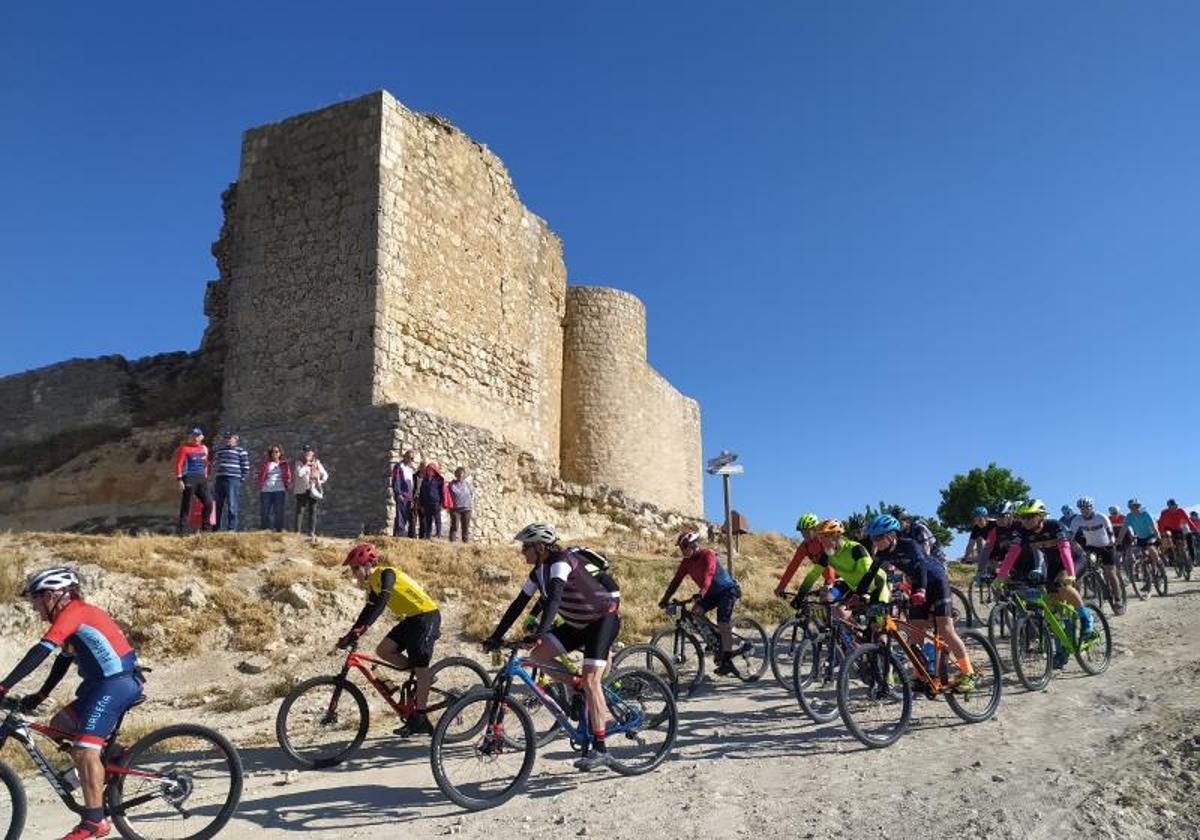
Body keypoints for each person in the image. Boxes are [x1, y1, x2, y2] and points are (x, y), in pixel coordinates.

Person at [0, 568, 145, 840]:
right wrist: (41, 694)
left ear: (53, 595)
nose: (34, 607)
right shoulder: (71, 617)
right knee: (60, 726)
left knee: (84, 750)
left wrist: (3, 686)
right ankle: (112, 759)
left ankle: (94, 822)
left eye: (35, 599)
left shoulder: (74, 612)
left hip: (116, 684)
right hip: (99, 686)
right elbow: (62, 660)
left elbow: (41, 651)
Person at [484, 523, 621, 772]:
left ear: (539, 546)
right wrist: (496, 636)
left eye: (526, 547)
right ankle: (576, 686)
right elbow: (519, 603)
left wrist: (540, 632)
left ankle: (601, 750)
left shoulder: (561, 560)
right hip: (577, 624)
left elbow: (555, 598)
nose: (522, 551)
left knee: (592, 679)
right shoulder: (539, 571)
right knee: (538, 656)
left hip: (602, 620)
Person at [861, 514, 975, 692]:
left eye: (878, 538)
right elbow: (870, 574)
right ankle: (919, 676)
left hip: (936, 582)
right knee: (915, 634)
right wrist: (857, 595)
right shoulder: (882, 554)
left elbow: (921, 565)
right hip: (917, 586)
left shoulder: (909, 545)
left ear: (891, 536)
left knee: (945, 629)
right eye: (872, 538)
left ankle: (968, 673)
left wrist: (920, 590)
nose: (875, 542)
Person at [337, 544, 441, 737]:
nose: (353, 574)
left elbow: (383, 601)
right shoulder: (371, 586)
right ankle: (423, 676)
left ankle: (419, 717)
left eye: (355, 568)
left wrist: (364, 628)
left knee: (420, 664)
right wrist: (350, 634)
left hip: (427, 615)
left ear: (367, 565)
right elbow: (367, 611)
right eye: (352, 570)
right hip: (411, 618)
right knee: (384, 650)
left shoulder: (387, 574)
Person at [993, 500, 1096, 665]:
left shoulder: (1055, 526)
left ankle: (1086, 616)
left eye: (1030, 516)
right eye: (1022, 517)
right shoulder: (1022, 532)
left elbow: (1064, 551)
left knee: (1062, 584)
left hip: (1075, 559)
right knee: (1053, 609)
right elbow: (1012, 554)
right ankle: (1062, 648)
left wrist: (1070, 573)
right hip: (1053, 564)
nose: (1025, 520)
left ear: (1040, 516)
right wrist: (1001, 576)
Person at [658, 531, 743, 677]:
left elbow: (709, 573)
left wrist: (702, 592)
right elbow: (676, 582)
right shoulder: (686, 562)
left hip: (726, 590)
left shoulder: (707, 554)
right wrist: (665, 599)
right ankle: (716, 639)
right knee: (696, 612)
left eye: (684, 546)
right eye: (681, 547)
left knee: (723, 622)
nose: (682, 550)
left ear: (693, 544)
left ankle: (727, 660)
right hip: (710, 593)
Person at [792, 519, 889, 626]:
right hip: (852, 586)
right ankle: (852, 636)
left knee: (878, 625)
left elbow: (869, 575)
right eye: (820, 538)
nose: (821, 542)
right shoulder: (828, 554)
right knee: (830, 602)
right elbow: (813, 575)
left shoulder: (855, 549)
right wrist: (800, 595)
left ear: (836, 536)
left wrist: (859, 596)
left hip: (875, 585)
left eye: (824, 538)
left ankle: (882, 635)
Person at [1070, 497, 1124, 615]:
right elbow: (1070, 537)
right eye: (1081, 508)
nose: (1084, 511)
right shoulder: (1077, 520)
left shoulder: (1101, 517)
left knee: (1110, 573)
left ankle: (1118, 600)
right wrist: (1076, 546)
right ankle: (1093, 585)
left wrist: (1112, 541)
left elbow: (1110, 532)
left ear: (1091, 507)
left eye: (1086, 508)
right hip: (1091, 546)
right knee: (1084, 569)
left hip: (1106, 546)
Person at [775, 512, 835, 598]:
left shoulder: (825, 541)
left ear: (815, 529)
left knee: (828, 600)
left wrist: (830, 583)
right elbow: (792, 567)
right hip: (829, 580)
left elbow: (830, 566)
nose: (803, 534)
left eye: (806, 530)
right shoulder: (805, 546)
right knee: (809, 602)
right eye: (802, 531)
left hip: (844, 578)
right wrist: (781, 587)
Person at [172, 426, 212, 535]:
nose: (195, 438)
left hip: (201, 478)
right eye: (193, 435)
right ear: (190, 436)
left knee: (208, 503)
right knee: (187, 504)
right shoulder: (184, 448)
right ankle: (183, 531)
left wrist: (206, 474)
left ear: (202, 437)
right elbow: (178, 464)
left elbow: (206, 463)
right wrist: (179, 480)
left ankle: (206, 529)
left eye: (197, 436)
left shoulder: (204, 448)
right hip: (189, 477)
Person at [211, 432, 250, 532]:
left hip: (233, 480)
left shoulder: (241, 451)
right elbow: (215, 463)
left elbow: (245, 467)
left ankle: (231, 529)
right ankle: (215, 528)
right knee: (217, 504)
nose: (228, 440)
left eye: (230, 438)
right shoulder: (221, 450)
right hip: (220, 479)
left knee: (232, 505)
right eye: (226, 438)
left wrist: (241, 479)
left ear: (235, 439)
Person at [1125, 498, 1165, 591]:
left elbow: (1153, 526)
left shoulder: (1145, 514)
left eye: (1136, 506)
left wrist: (1158, 535)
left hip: (1151, 536)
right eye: (1132, 507)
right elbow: (1124, 529)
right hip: (1140, 538)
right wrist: (1118, 541)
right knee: (1142, 559)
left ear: (1139, 506)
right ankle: (1148, 581)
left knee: (1151, 548)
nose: (1134, 508)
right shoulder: (1129, 516)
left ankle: (1160, 565)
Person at [293, 444, 329, 537]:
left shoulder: (317, 462)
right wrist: (306, 465)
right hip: (301, 489)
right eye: (305, 451)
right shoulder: (299, 462)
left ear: (312, 453)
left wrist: (320, 481)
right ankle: (297, 532)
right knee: (300, 511)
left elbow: (325, 474)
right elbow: (299, 474)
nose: (307, 453)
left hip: (312, 489)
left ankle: (311, 532)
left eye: (309, 451)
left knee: (313, 510)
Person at [256, 444, 292, 531]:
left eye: (277, 451)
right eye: (273, 452)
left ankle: (278, 530)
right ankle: (264, 529)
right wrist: (259, 483)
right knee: (265, 511)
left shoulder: (284, 464)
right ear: (270, 453)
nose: (275, 453)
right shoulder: (266, 464)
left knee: (279, 511)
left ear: (280, 453)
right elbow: (260, 474)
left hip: (279, 490)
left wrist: (288, 482)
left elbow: (288, 475)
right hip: (266, 490)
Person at [1157, 499, 1195, 567]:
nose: (1174, 508)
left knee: (1182, 541)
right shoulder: (1164, 513)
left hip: (1177, 528)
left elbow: (1188, 520)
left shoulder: (1180, 511)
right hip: (1168, 528)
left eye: (1174, 506)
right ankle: (1172, 557)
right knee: (1168, 540)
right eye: (1171, 507)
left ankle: (1185, 556)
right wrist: (1162, 533)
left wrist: (1194, 528)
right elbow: (1160, 523)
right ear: (1168, 507)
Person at [417, 461, 449, 539]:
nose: (429, 471)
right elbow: (421, 493)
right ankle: (428, 535)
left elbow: (442, 492)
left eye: (431, 470)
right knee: (428, 520)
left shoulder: (438, 480)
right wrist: (421, 504)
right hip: (426, 503)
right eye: (428, 470)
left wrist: (442, 503)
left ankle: (438, 534)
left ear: (434, 471)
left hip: (436, 503)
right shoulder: (424, 481)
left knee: (437, 519)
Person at [388, 451, 417, 538]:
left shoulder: (409, 469)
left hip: (408, 497)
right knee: (400, 515)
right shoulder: (399, 466)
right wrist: (398, 493)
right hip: (402, 495)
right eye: (409, 457)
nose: (410, 460)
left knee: (405, 515)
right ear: (405, 457)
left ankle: (402, 532)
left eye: (412, 458)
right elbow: (396, 480)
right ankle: (398, 533)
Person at [447, 467, 474, 543]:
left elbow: (472, 494)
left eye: (462, 475)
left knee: (465, 527)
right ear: (456, 475)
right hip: (455, 509)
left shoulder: (468, 484)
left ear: (464, 476)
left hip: (467, 509)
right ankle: (452, 542)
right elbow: (447, 495)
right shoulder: (451, 484)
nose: (460, 477)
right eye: (458, 475)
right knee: (454, 526)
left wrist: (469, 504)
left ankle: (465, 543)